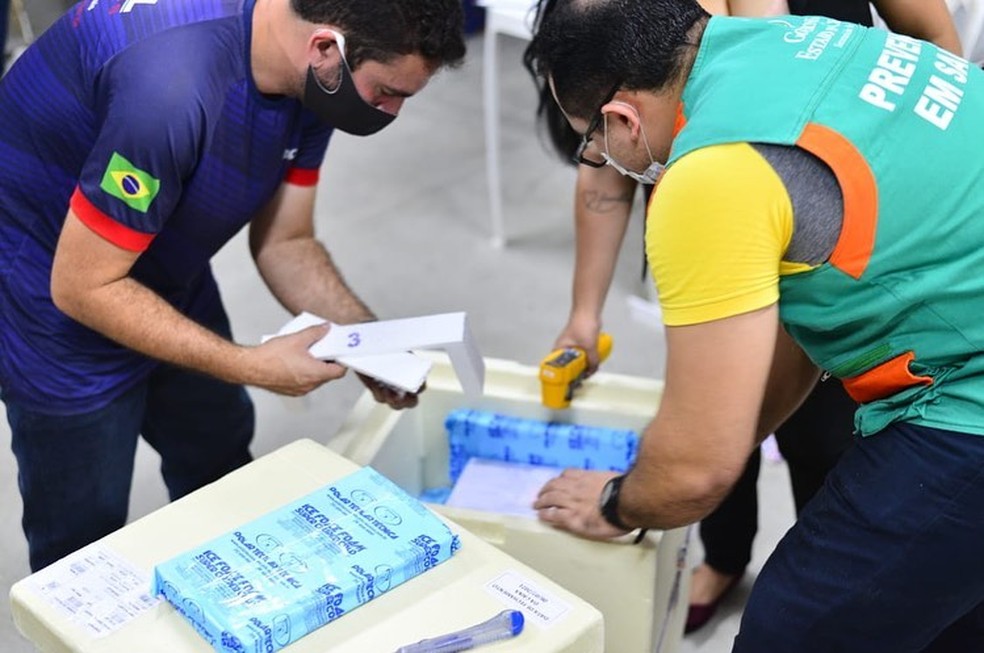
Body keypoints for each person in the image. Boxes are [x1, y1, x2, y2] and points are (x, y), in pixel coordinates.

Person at [525, 0, 984, 650]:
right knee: (940, 605)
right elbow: (799, 331)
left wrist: (617, 502)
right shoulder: (802, 41)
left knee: (792, 629)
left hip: (969, 395)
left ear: (624, 118)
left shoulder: (710, 173)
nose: (603, 162)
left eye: (594, 146)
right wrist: (727, 436)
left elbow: (695, 472)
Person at [0, 0, 465, 572]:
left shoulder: (316, 78)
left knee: (218, 450)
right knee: (82, 531)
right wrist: (250, 365)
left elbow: (287, 242)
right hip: (49, 305)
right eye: (388, 92)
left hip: (160, 262)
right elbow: (82, 288)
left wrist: (370, 342)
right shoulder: (170, 90)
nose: (391, 111)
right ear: (325, 47)